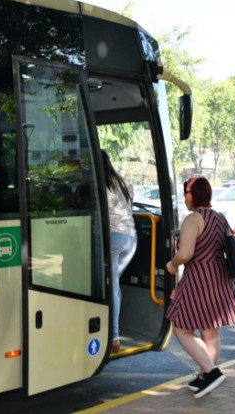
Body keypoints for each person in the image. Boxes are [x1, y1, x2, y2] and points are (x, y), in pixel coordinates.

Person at [165, 177, 235, 399]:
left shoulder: (193, 219)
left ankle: (210, 372)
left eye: (186, 192)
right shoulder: (220, 218)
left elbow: (185, 254)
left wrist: (172, 264)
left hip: (199, 278)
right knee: (210, 331)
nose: (184, 197)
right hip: (220, 278)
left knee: (180, 326)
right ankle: (205, 377)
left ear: (195, 195)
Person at [102, 151, 137, 354]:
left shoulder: (99, 184)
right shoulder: (123, 182)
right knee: (114, 286)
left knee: (110, 286)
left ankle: (113, 336)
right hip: (131, 238)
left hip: (112, 237)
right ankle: (114, 331)